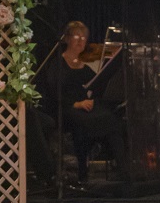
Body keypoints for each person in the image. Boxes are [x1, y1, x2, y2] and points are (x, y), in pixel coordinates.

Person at [40, 21, 126, 186]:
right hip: (65, 109)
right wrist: (77, 104)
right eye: (76, 36)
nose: (81, 41)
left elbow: (95, 86)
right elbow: (54, 93)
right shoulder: (57, 64)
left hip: (85, 108)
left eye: (84, 37)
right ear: (67, 39)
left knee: (112, 119)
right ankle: (82, 172)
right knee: (84, 124)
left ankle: (123, 170)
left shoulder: (84, 66)